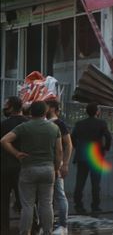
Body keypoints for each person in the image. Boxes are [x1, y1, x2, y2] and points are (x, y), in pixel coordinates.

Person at [0, 100, 62, 235]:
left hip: (28, 169)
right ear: (45, 112)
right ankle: (47, 231)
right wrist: (57, 169)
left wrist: (16, 153)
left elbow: (4, 140)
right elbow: (59, 152)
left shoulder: (24, 127)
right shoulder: (54, 128)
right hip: (48, 169)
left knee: (27, 205)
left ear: (31, 112)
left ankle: (25, 232)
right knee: (47, 204)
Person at [71, 102, 111, 214]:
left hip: (82, 156)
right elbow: (108, 136)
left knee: (80, 182)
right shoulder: (101, 123)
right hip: (96, 155)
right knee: (95, 183)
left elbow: (72, 137)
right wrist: (106, 148)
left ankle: (78, 205)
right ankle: (95, 206)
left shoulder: (79, 124)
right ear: (97, 111)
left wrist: (76, 147)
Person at [1, 97, 27, 235]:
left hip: (4, 168)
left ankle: (4, 228)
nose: (4, 107)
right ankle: (27, 228)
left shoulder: (3, 125)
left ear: (11, 107)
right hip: (23, 168)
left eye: (6, 105)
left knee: (3, 200)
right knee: (25, 201)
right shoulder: (28, 124)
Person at [45, 100, 72, 234]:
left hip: (56, 164)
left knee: (59, 194)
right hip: (46, 164)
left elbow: (68, 144)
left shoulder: (59, 124)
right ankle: (49, 225)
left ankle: (63, 225)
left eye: (47, 106)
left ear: (53, 108)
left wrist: (65, 163)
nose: (45, 108)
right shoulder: (43, 123)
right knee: (47, 197)